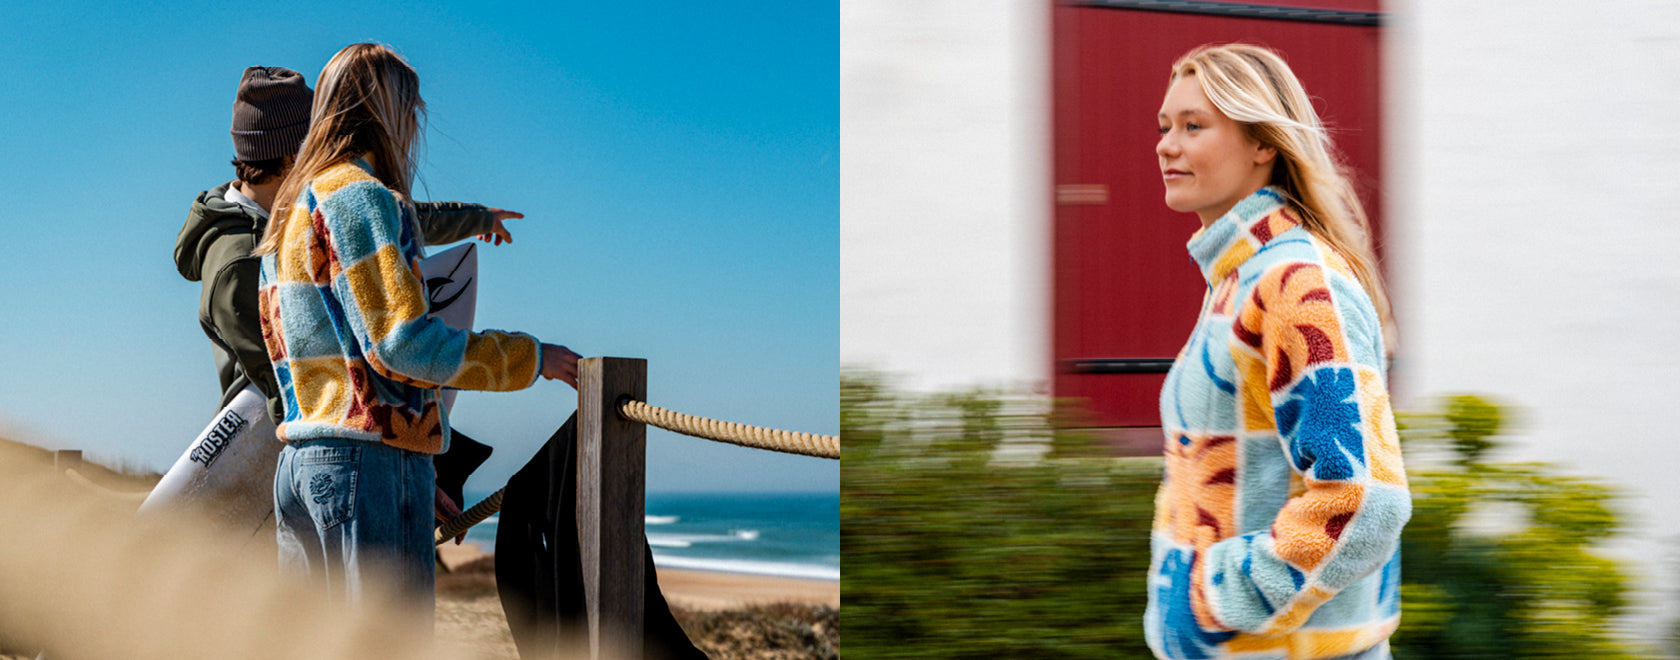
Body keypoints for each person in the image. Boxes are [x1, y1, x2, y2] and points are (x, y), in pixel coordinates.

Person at [250, 43, 581, 623]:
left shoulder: (289, 213)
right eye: (414, 107)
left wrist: (405, 460)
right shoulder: (363, 198)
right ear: (388, 112)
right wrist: (534, 359)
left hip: (302, 466)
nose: (416, 122)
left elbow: (304, 361)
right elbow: (403, 345)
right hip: (364, 468)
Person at [1144, 44, 1410, 660]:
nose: (1166, 145)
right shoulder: (1241, 280)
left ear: (1263, 144)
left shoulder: (1295, 285)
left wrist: (1211, 602)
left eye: (1193, 126)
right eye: (1164, 127)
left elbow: (1363, 501)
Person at [175, 65, 523, 427]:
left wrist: (477, 218)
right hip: (297, 440)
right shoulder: (238, 261)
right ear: (293, 157)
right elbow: (283, 384)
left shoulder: (294, 211)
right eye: (318, 145)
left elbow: (382, 217)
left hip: (343, 423)